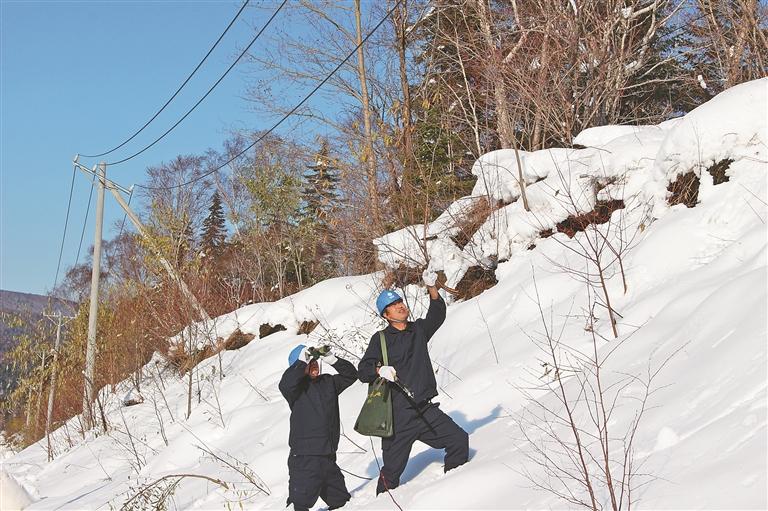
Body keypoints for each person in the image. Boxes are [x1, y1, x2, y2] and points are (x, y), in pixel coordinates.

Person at [358, 270, 469, 495]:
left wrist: (432, 288)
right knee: (391, 474)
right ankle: (382, 504)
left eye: (400, 301)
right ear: (386, 315)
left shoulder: (418, 330)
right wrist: (379, 369)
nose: (400, 306)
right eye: (394, 305)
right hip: (398, 419)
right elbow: (362, 371)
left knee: (459, 440)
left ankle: (454, 491)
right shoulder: (380, 340)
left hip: (425, 410)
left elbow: (437, 316)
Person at [279, 344, 357, 511]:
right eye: (308, 363)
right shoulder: (295, 390)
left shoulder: (328, 382)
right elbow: (285, 384)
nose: (313, 365)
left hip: (328, 454)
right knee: (301, 502)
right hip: (305, 457)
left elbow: (351, 375)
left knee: (341, 501)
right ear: (299, 367)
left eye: (315, 362)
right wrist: (302, 362)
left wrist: (333, 360)